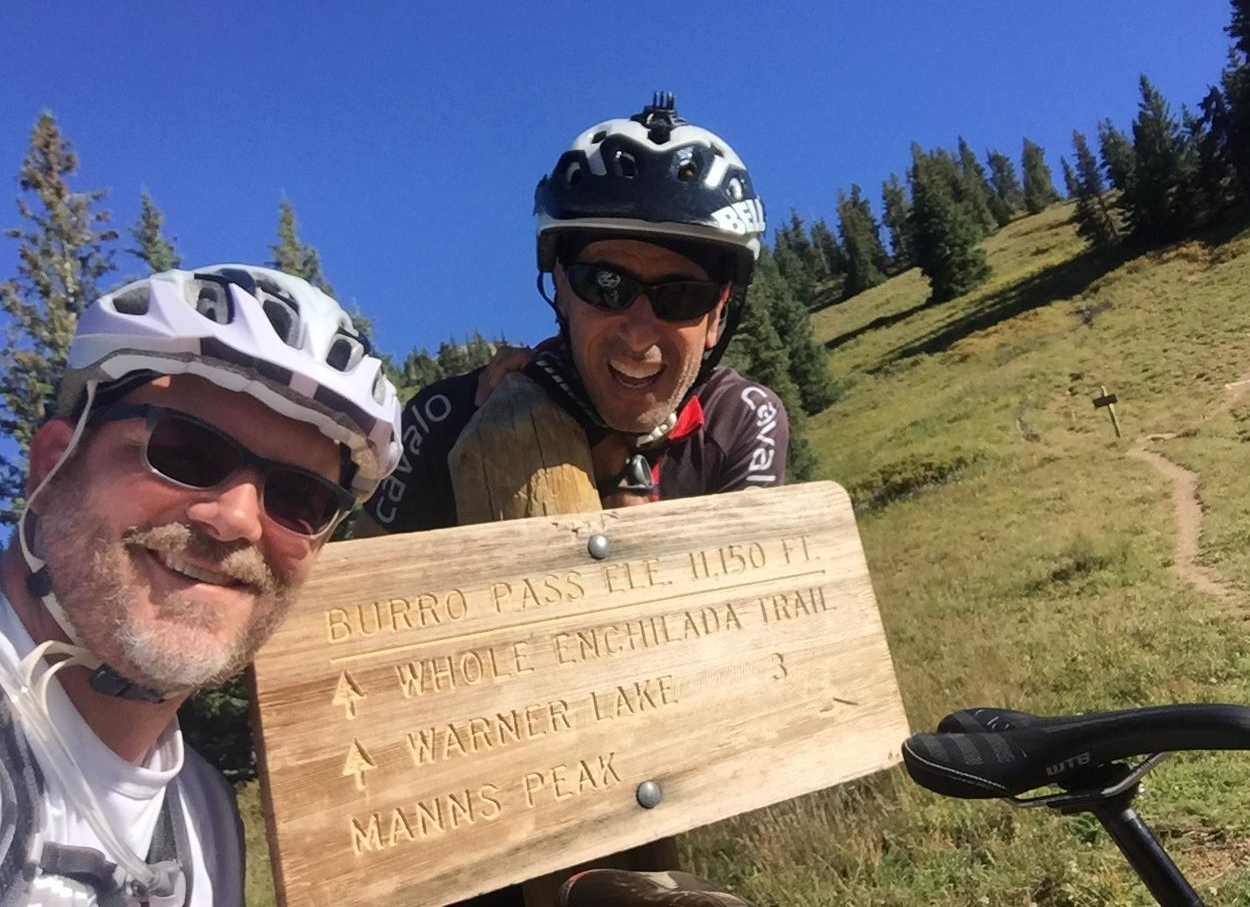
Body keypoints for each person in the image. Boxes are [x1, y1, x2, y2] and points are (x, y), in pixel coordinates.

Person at [0, 265, 401, 905]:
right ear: (53, 465)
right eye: (185, 454)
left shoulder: (206, 819)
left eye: (299, 498)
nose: (237, 521)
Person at [360, 93, 788, 535]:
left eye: (681, 297)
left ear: (717, 316)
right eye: (606, 285)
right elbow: (367, 597)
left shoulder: (740, 418)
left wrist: (621, 483)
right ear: (561, 290)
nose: (639, 335)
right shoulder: (445, 417)